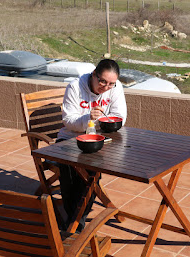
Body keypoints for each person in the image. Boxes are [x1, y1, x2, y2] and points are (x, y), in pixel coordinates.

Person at [57, 59, 127, 232]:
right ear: (94, 74)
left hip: (98, 138)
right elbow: (68, 121)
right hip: (70, 138)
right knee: (70, 168)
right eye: (102, 81)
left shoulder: (115, 88)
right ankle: (76, 223)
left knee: (92, 171)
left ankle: (74, 223)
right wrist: (88, 118)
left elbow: (119, 116)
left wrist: (102, 122)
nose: (106, 87)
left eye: (111, 83)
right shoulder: (75, 87)